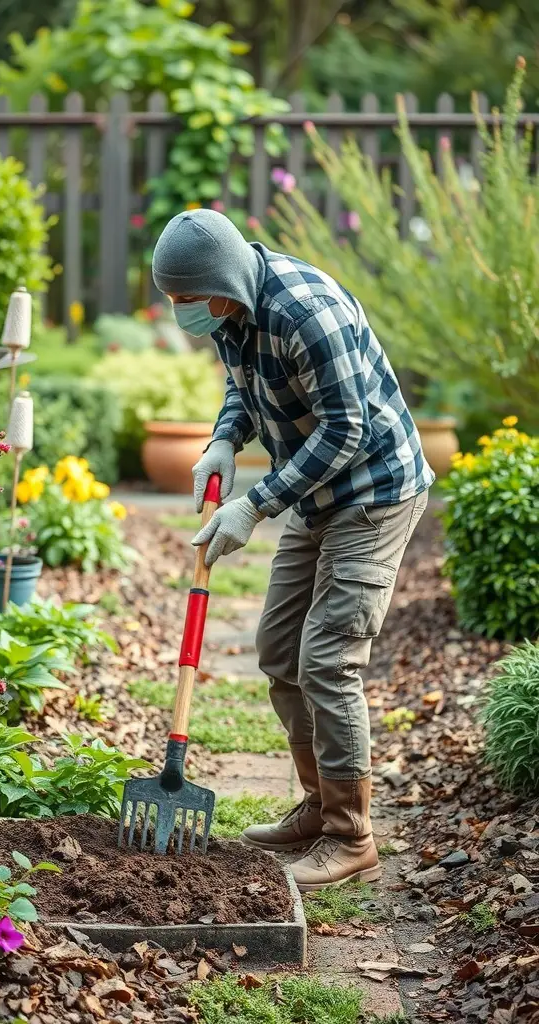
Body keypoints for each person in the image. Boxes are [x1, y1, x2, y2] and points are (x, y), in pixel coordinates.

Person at [151, 209, 434, 892]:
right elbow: (243, 388)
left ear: (219, 284)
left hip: (374, 492)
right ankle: (318, 804)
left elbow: (346, 428)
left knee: (329, 659)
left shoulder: (309, 312)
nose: (181, 315)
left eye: (186, 300)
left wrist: (256, 502)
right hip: (316, 494)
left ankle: (351, 835)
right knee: (280, 651)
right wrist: (224, 438)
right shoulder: (233, 313)